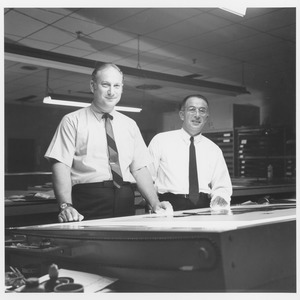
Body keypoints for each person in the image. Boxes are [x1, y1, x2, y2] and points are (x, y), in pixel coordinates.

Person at [45, 63, 173, 222]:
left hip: (125, 197)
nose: (112, 91)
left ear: (122, 88)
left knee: (124, 246)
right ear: (93, 86)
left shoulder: (130, 125)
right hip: (88, 199)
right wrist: (66, 205)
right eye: (105, 85)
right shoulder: (72, 121)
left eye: (117, 86)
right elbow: (61, 165)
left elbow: (139, 168)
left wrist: (155, 202)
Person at [148, 94, 232, 211]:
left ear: (206, 117)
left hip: (203, 207)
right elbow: (147, 178)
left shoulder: (214, 150)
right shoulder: (161, 141)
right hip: (169, 207)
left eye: (202, 111)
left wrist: (220, 198)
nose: (197, 115)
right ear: (182, 115)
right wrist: (154, 203)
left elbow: (222, 186)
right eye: (192, 109)